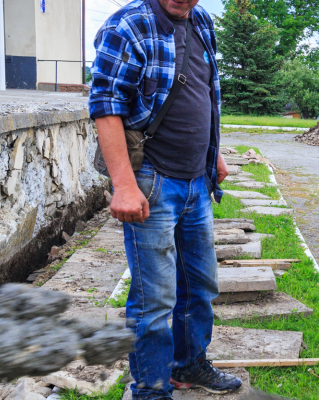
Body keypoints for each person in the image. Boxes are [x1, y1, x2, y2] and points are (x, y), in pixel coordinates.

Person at [89, 0, 241, 398]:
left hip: (196, 182)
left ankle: (187, 366)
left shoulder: (201, 18)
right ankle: (151, 390)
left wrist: (214, 152)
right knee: (154, 300)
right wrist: (124, 185)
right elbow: (106, 108)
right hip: (152, 181)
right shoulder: (127, 26)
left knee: (200, 288)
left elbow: (202, 90)